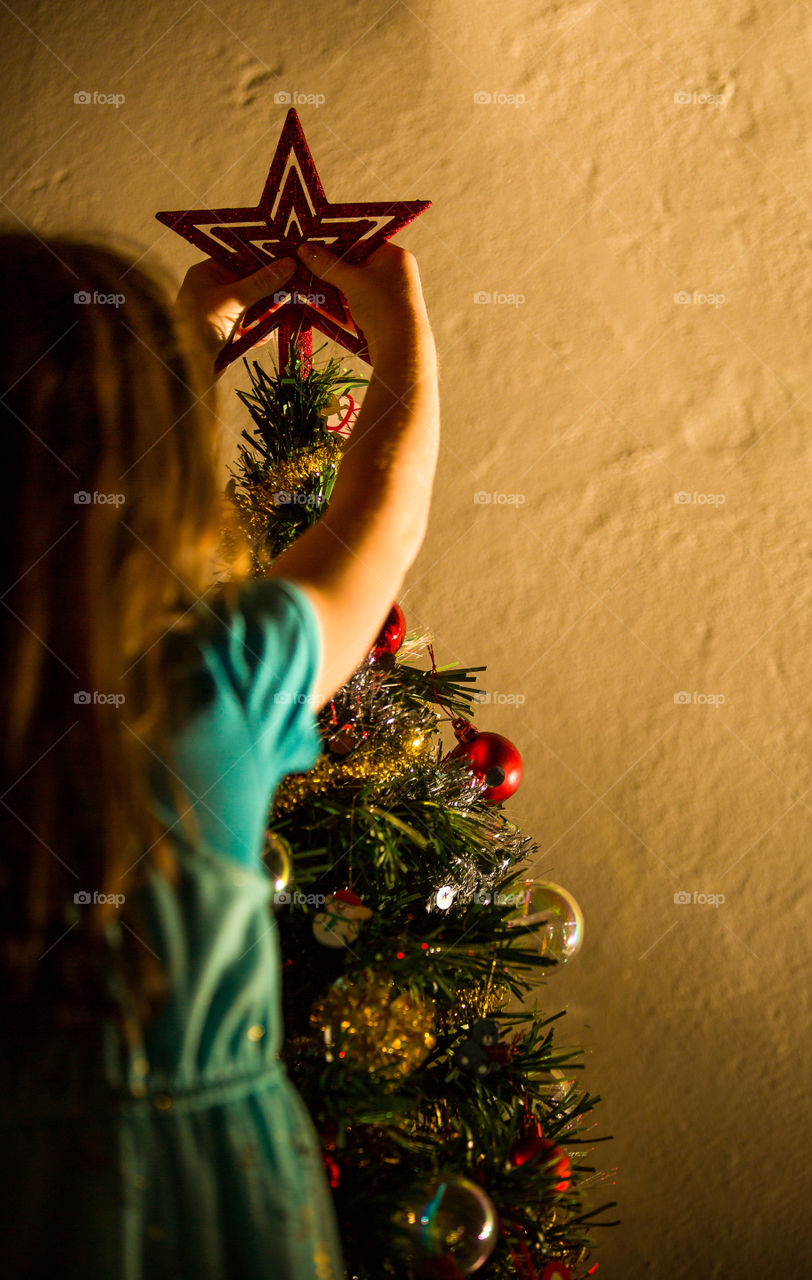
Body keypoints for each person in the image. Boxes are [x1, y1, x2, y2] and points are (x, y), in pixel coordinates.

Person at [0, 231, 440, 1278]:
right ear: (167, 458)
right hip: (210, 1200)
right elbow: (380, 517)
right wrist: (399, 338)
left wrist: (173, 352)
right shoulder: (221, 675)